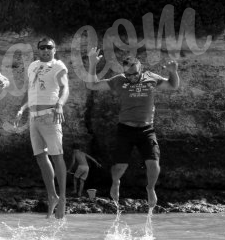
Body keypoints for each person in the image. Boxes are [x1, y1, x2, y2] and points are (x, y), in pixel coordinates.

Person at [86, 48, 180, 213]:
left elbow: (173, 85)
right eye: (128, 75)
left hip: (146, 129)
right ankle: (116, 182)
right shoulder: (119, 80)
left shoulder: (151, 78)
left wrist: (173, 72)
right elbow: (92, 85)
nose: (131, 78)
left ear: (141, 69)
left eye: (135, 74)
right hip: (126, 129)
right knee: (119, 167)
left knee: (153, 163)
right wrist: (93, 64)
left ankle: (150, 188)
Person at [14, 37, 70, 218]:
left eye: (49, 47)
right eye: (42, 48)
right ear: (38, 50)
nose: (46, 50)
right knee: (40, 157)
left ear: (55, 49)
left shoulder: (58, 66)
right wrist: (21, 109)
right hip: (34, 118)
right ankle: (51, 195)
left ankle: (62, 199)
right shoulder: (32, 66)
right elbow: (29, 91)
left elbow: (65, 88)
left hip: (50, 116)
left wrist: (60, 104)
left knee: (57, 156)